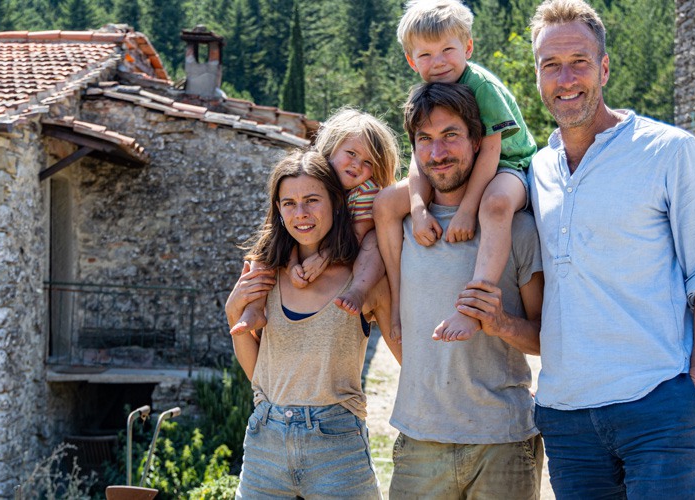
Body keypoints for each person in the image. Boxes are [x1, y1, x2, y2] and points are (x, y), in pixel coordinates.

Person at [527, 0, 695, 497]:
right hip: (567, 420)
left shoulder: (670, 150)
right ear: (538, 76)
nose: (565, 79)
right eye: (550, 66)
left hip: (659, 408)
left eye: (579, 61)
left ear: (604, 67)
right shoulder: (537, 169)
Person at [387, 81, 544, 498]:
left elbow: (546, 338)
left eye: (451, 136)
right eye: (425, 140)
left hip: (504, 442)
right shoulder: (399, 230)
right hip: (418, 442)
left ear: (478, 142)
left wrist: (501, 324)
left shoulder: (518, 228)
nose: (438, 153)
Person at [225, 150, 396, 498]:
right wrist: (233, 311)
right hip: (265, 442)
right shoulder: (264, 272)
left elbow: (405, 349)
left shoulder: (363, 278)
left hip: (337, 446)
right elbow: (261, 376)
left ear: (335, 203)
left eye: (311, 200)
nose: (300, 214)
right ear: (277, 209)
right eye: (288, 203)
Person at [374, 0, 537, 343]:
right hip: (462, 163)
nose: (439, 62)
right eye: (426, 55)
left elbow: (492, 150)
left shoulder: (481, 86)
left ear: (468, 47)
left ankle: (474, 305)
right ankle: (399, 298)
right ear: (411, 60)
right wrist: (418, 209)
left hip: (511, 164)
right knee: (387, 203)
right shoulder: (427, 93)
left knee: (494, 206)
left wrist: (466, 211)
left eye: (448, 49)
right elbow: (419, 157)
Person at [231, 109, 400, 335]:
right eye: (351, 153)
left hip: (348, 245)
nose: (357, 165)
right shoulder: (311, 176)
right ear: (330, 149)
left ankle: (358, 291)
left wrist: (323, 258)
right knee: (266, 244)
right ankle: (254, 308)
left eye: (368, 162)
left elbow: (357, 235)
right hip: (309, 241)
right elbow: (285, 229)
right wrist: (291, 267)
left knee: (374, 240)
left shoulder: (366, 190)